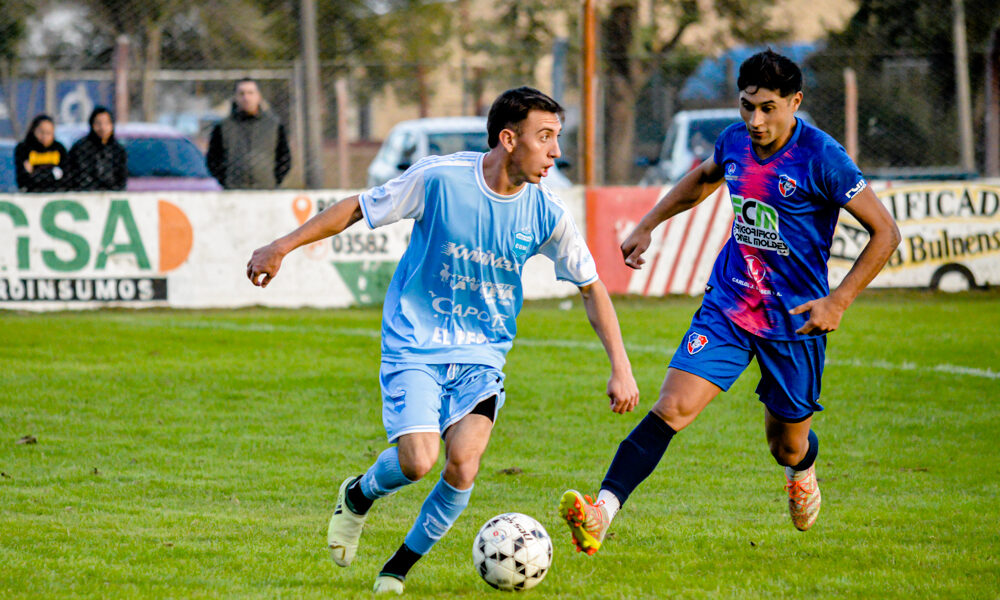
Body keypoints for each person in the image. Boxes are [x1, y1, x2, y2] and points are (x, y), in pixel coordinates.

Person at [246, 87, 639, 595]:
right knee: (417, 461)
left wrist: (621, 365)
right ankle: (359, 495)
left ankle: (397, 569)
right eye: (545, 138)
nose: (555, 151)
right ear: (508, 139)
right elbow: (358, 208)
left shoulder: (547, 211)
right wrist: (281, 246)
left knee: (463, 464)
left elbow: (592, 288)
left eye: (557, 138)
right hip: (415, 341)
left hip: (482, 353)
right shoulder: (441, 178)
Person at [558, 50, 901, 554]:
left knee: (785, 444)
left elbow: (886, 232)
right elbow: (702, 179)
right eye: (746, 106)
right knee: (672, 407)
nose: (755, 120)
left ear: (794, 102)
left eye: (767, 108)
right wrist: (648, 224)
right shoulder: (734, 141)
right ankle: (601, 512)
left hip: (796, 322)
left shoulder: (822, 156)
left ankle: (802, 469)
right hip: (731, 304)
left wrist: (840, 300)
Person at [206, 77, 291, 189]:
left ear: (258, 96)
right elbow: (213, 159)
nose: (246, 98)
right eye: (241, 93)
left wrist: (273, 181)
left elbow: (284, 158)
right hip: (235, 191)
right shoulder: (223, 126)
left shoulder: (273, 126)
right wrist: (226, 181)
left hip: (265, 190)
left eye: (250, 93)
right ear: (235, 97)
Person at [67, 107, 127, 191]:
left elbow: (121, 179)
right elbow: (75, 176)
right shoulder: (81, 148)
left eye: (106, 123)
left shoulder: (118, 150)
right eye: (98, 123)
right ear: (92, 125)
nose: (102, 127)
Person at [14, 114, 69, 192]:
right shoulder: (24, 149)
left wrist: (35, 173)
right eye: (41, 132)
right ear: (33, 130)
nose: (44, 136)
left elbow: (65, 175)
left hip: (56, 192)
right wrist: (52, 174)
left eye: (48, 133)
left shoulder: (59, 149)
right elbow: (23, 179)